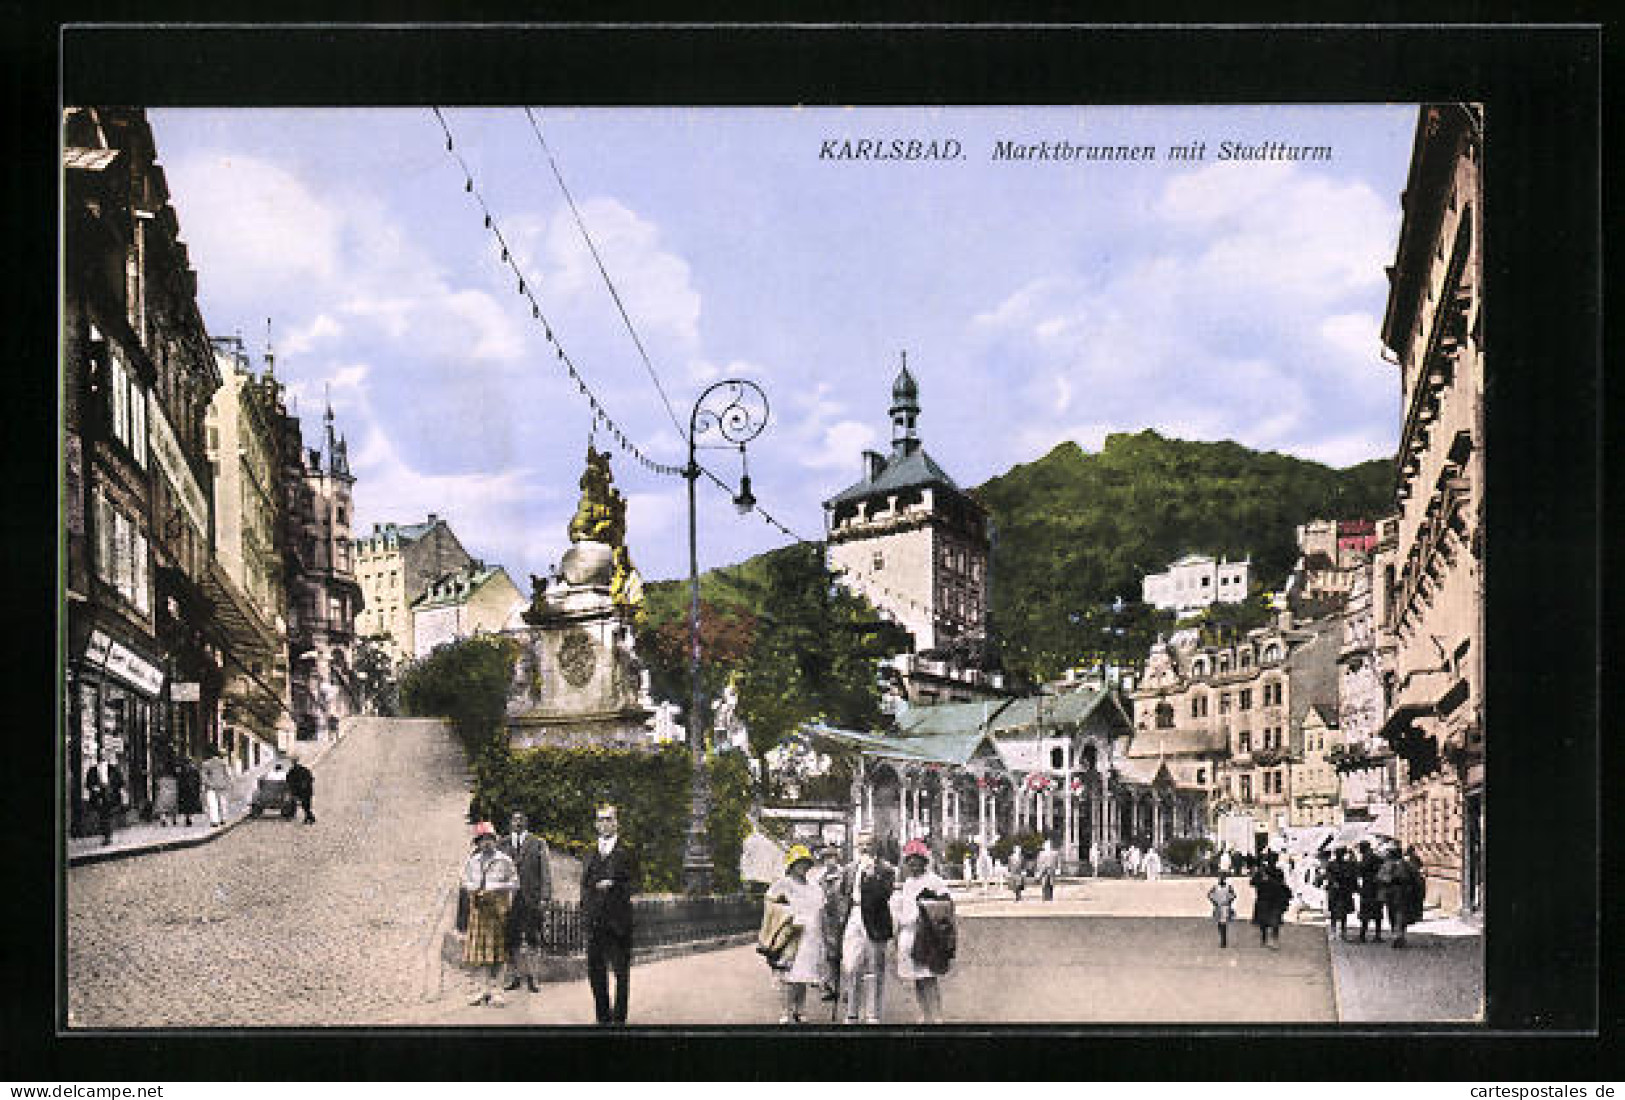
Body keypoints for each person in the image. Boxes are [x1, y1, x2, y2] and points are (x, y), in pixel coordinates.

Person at [581, 803, 637, 1025]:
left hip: (619, 921)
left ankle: (619, 1018)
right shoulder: (590, 852)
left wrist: (613, 884)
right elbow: (584, 884)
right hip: (595, 922)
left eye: (609, 819)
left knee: (621, 972)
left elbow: (636, 883)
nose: (605, 824)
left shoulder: (627, 851)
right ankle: (602, 1017)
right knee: (595, 971)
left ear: (616, 823)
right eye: (601, 820)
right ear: (596, 824)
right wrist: (586, 910)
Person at [832, 830, 895, 1025]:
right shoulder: (850, 869)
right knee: (851, 966)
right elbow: (842, 893)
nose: (864, 848)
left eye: (868, 844)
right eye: (861, 845)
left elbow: (884, 895)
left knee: (875, 968)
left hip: (875, 920)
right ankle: (852, 1012)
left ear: (876, 846)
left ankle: (872, 1014)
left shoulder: (885, 869)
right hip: (854, 917)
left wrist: (872, 875)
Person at [891, 839, 950, 1024]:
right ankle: (924, 1013)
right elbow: (902, 911)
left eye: (917, 860)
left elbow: (945, 908)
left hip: (928, 936)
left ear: (925, 861)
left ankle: (937, 1015)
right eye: (910, 860)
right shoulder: (907, 883)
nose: (913, 864)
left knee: (929, 977)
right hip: (908, 935)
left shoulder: (935, 881)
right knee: (916, 977)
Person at [765, 845, 826, 1024]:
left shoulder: (814, 887)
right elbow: (770, 905)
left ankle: (800, 1009)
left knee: (803, 974)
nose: (802, 867)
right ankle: (786, 1011)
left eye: (805, 863)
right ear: (791, 865)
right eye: (799, 863)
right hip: (790, 933)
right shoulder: (783, 884)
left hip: (809, 935)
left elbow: (819, 910)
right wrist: (786, 914)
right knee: (787, 974)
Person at [462, 821, 519, 1006]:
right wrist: (474, 888)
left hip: (498, 912)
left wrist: (496, 888)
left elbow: (515, 883)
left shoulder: (504, 860)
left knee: (499, 954)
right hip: (479, 911)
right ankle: (483, 990)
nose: (486, 843)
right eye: (482, 840)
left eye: (489, 839)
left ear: (495, 841)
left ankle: (498, 991)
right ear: (477, 842)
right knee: (481, 954)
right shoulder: (472, 861)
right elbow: (465, 880)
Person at [500, 811, 553, 994]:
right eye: (514, 820)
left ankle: (533, 978)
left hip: (531, 898)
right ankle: (515, 976)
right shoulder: (502, 844)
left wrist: (545, 897)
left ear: (527, 823)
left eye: (521, 819)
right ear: (510, 823)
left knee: (532, 938)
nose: (518, 823)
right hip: (509, 899)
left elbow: (545, 872)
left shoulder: (538, 843)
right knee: (511, 939)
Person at [816, 845, 846, 1006]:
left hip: (841, 917)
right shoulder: (819, 877)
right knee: (830, 955)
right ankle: (831, 986)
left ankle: (847, 988)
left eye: (832, 857)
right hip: (827, 919)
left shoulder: (843, 874)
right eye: (826, 858)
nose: (829, 861)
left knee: (845, 954)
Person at [1378, 845, 1418, 948]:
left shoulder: (1386, 865)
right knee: (1400, 914)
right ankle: (1400, 936)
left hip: (1391, 893)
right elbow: (1416, 879)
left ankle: (1396, 935)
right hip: (1402, 893)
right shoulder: (1406, 865)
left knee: (1392, 914)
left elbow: (1380, 878)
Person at [1250, 857, 1291, 948]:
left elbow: (1281, 884)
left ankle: (1271, 940)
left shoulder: (1275, 872)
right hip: (1267, 900)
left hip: (1270, 900)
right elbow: (1252, 882)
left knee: (1271, 921)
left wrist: (1266, 880)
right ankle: (1268, 939)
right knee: (1267, 921)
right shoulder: (1262, 872)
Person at [1325, 847, 1359, 941]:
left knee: (1344, 912)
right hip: (1335, 890)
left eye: (1341, 853)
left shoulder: (1348, 864)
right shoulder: (1331, 864)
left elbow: (1352, 876)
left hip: (1344, 890)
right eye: (1338, 853)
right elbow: (1328, 875)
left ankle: (1343, 931)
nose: (1339, 855)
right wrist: (1333, 881)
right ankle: (1333, 930)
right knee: (1333, 911)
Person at [1356, 840, 1386, 943]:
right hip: (1375, 887)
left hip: (1369, 888)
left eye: (1360, 848)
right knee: (1377, 912)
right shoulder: (1375, 857)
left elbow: (1360, 870)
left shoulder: (1367, 858)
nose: (1359, 850)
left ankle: (1363, 935)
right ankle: (1377, 935)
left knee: (1366, 912)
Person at [84, 763, 118, 845]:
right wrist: (94, 787)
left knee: (108, 815)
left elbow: (119, 781)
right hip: (98, 796)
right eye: (101, 755)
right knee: (102, 816)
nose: (103, 757)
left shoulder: (112, 769)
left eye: (104, 755)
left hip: (110, 795)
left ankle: (108, 836)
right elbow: (88, 784)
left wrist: (112, 789)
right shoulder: (92, 770)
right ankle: (105, 836)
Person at [200, 750, 232, 828]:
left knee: (212, 804)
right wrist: (227, 783)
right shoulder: (223, 763)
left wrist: (208, 783)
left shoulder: (206, 764)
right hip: (222, 786)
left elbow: (203, 776)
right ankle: (223, 819)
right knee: (223, 802)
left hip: (211, 787)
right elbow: (228, 775)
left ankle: (214, 821)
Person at [1207, 873, 1237, 948]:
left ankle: (1223, 940)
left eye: (1223, 879)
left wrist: (1229, 901)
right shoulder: (1216, 887)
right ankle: (1222, 938)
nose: (1221, 880)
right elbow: (1209, 894)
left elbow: (1234, 895)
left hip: (1225, 906)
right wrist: (1214, 902)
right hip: (1218, 906)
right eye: (1220, 878)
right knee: (1219, 923)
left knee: (1223, 923)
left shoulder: (1228, 887)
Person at [286, 758, 315, 824]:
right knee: (306, 805)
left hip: (303, 791)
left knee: (305, 805)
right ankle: (309, 817)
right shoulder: (304, 770)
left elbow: (288, 781)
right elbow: (311, 779)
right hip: (306, 791)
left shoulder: (292, 772)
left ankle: (310, 817)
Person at [1405, 845, 1429, 927]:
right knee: (1418, 900)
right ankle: (1418, 916)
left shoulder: (1407, 861)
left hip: (1411, 884)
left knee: (1412, 900)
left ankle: (1412, 916)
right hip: (1417, 882)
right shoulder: (1416, 859)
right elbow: (1423, 869)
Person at [177, 757, 203, 827]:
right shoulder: (194, 770)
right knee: (190, 804)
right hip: (192, 789)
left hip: (185, 790)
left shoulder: (182, 770)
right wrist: (198, 789)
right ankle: (189, 817)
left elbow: (179, 780)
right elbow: (198, 780)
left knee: (186, 805)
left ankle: (188, 817)